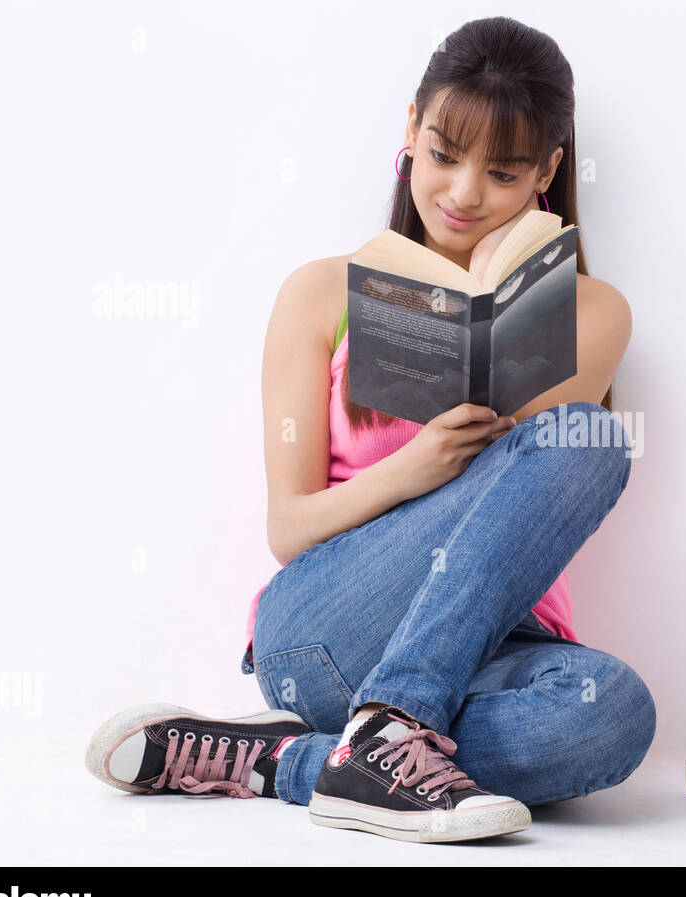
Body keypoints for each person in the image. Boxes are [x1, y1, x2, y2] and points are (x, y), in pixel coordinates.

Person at [84, 16, 655, 844]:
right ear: (411, 129)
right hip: (327, 628)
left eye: (502, 172)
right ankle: (393, 725)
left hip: (499, 643)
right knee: (583, 436)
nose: (464, 194)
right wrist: (414, 466)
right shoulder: (319, 294)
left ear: (547, 171)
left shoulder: (592, 313)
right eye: (445, 154)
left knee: (613, 712)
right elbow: (289, 529)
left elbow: (531, 483)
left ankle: (295, 760)